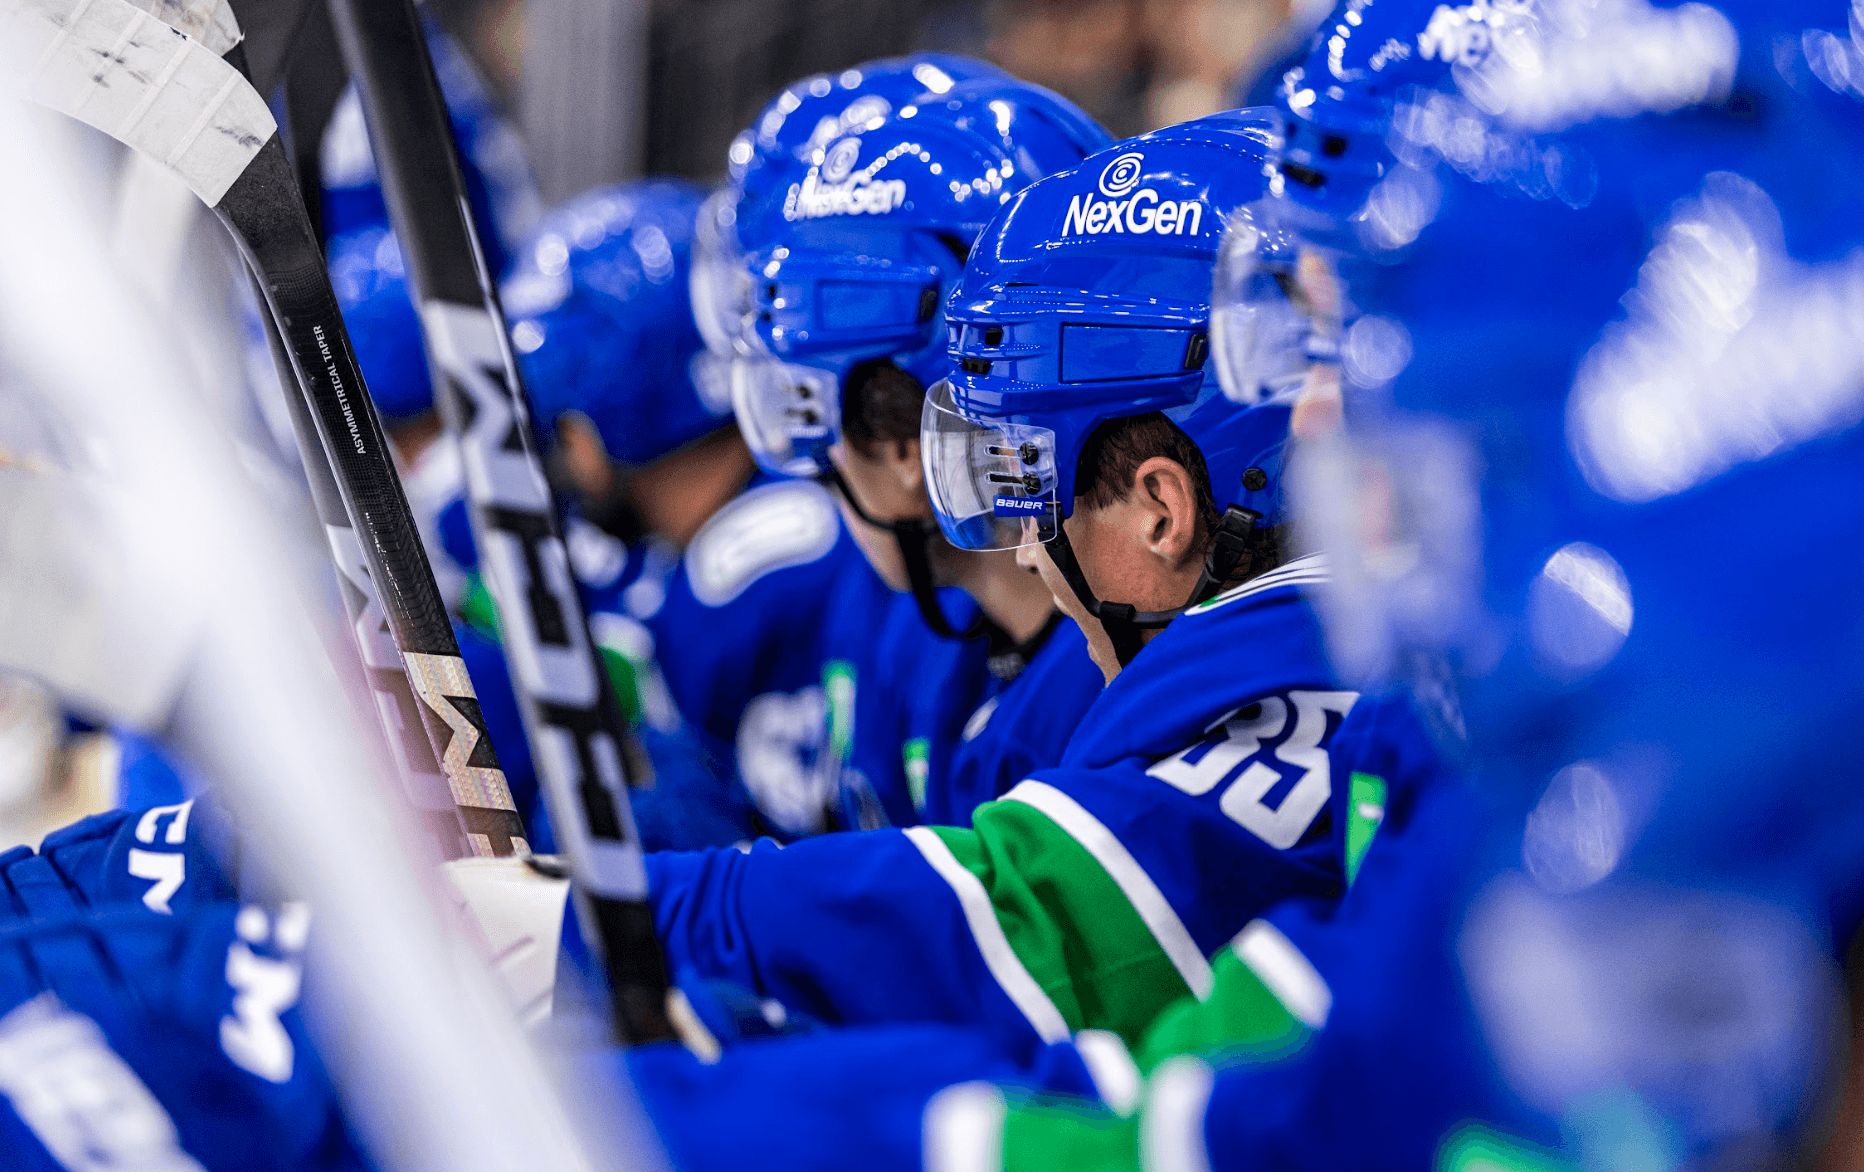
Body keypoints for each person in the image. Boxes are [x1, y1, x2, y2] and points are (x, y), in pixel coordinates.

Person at [727, 75, 1114, 828]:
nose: (818, 458)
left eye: (809, 404)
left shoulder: (1094, 701)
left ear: (907, 446)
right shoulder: (935, 641)